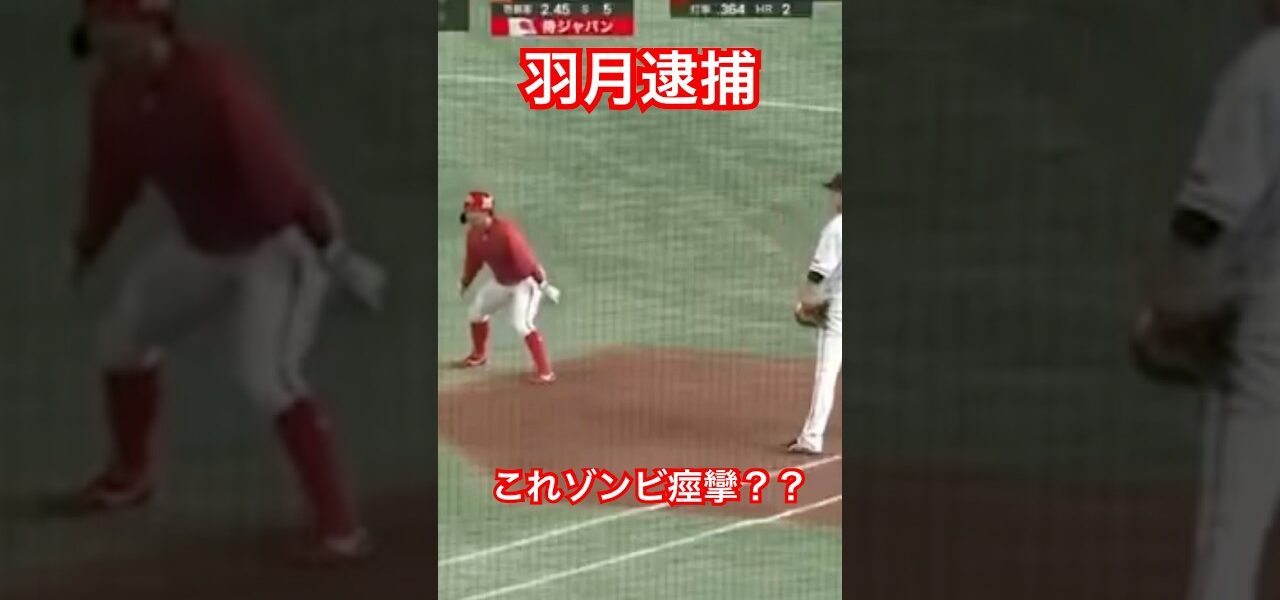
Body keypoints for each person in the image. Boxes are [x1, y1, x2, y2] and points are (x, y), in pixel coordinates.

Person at [68, 0, 385, 563]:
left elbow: (277, 173)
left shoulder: (214, 86)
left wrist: (334, 255)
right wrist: (89, 242)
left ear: (152, 26)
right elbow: (113, 177)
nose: (103, 40)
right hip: (203, 244)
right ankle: (131, 474)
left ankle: (340, 527)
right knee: (120, 341)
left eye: (113, 27)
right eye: (97, 28)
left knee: (268, 378)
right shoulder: (113, 95)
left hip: (280, 241)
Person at [1130, 2, 1280, 597]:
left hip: (1270, 333)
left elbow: (1204, 217)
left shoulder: (1266, 69)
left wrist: (1171, 306)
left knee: (1233, 532)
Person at [457, 190, 560, 384]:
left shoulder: (506, 232)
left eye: (472, 211)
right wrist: (465, 282)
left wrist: (544, 286)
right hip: (501, 282)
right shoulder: (473, 235)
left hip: (525, 282)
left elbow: (527, 261)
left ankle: (545, 372)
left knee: (522, 324)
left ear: (485, 212)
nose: (469, 215)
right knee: (476, 313)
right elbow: (473, 261)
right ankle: (479, 355)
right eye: (468, 210)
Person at [787, 173, 843, 455]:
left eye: (837, 192)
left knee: (827, 371)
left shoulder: (837, 228)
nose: (833, 197)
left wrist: (806, 301)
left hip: (841, 307)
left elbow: (818, 274)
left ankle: (811, 437)